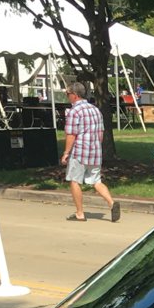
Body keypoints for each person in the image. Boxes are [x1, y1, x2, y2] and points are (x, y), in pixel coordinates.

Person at [60, 82, 119, 223]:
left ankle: (80, 213)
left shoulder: (74, 111)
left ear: (74, 95)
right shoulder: (95, 110)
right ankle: (111, 203)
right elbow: (101, 132)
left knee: (74, 180)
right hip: (95, 151)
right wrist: (97, 146)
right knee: (96, 181)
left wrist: (66, 153)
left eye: (68, 94)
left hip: (79, 151)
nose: (67, 96)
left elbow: (71, 134)